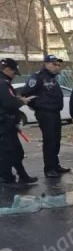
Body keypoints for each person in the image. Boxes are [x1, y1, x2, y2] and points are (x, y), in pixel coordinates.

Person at [20, 55, 69, 178]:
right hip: (45, 113)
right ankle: (49, 168)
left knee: (56, 140)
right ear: (46, 64)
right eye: (54, 64)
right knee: (49, 140)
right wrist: (37, 105)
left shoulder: (53, 78)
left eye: (58, 65)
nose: (56, 67)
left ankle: (55, 165)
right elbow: (25, 93)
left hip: (55, 112)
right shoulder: (37, 77)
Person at [0, 58, 37, 186]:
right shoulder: (2, 84)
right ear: (7, 70)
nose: (14, 75)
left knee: (16, 152)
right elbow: (9, 103)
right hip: (4, 124)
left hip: (8, 124)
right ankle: (7, 178)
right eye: (13, 72)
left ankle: (22, 175)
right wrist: (22, 101)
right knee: (8, 153)